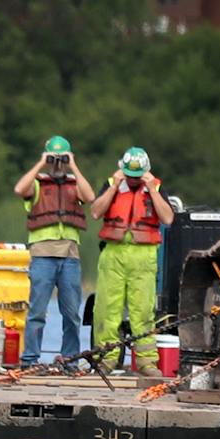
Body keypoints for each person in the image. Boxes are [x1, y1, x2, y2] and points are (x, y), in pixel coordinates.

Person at [90, 146, 174, 377]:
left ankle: (147, 362)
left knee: (143, 311)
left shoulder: (155, 187)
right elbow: (95, 212)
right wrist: (115, 185)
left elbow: (167, 218)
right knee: (107, 309)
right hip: (113, 254)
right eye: (129, 175)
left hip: (143, 255)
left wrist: (152, 190)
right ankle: (106, 359)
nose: (133, 180)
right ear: (121, 170)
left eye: (137, 176)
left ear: (146, 172)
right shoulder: (111, 185)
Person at [13, 136, 96, 368]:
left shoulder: (73, 184)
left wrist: (74, 166)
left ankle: (70, 360)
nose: (58, 164)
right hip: (42, 255)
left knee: (72, 314)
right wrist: (41, 163)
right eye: (55, 159)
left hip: (69, 256)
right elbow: (20, 189)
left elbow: (90, 197)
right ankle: (30, 359)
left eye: (62, 159)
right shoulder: (38, 184)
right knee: (37, 312)